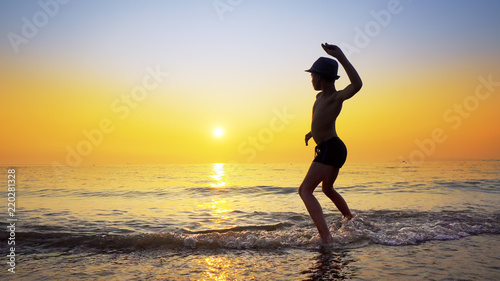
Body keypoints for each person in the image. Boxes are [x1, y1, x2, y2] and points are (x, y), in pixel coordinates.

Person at [299, 43, 362, 244]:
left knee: (305, 190)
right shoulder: (319, 97)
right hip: (330, 147)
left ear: (319, 77)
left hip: (331, 148)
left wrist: (341, 57)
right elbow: (321, 120)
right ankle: (350, 218)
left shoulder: (336, 97)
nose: (311, 80)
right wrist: (313, 132)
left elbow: (357, 85)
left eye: (312, 76)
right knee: (327, 189)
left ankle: (325, 237)